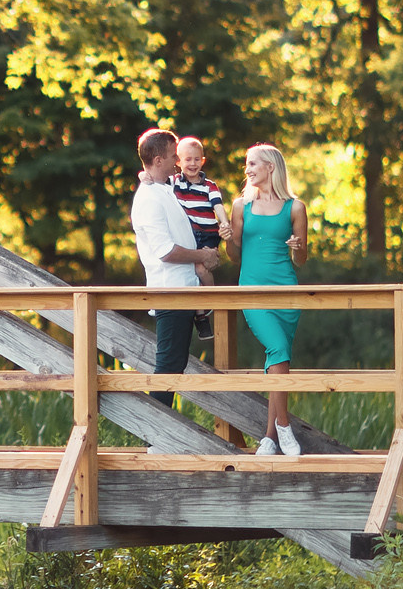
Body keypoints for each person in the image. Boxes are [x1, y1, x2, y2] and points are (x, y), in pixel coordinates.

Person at [222, 142, 309, 455]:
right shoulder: (240, 206)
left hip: (286, 289)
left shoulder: (295, 208)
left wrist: (297, 246)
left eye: (252, 164)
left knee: (278, 359)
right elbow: (235, 257)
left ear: (271, 167)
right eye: (247, 164)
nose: (247, 170)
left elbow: (301, 259)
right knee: (277, 349)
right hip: (253, 289)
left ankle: (270, 438)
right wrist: (229, 241)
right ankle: (285, 427)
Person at [130, 128, 218, 405]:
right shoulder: (148, 199)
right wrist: (202, 256)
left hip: (184, 290)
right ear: (158, 160)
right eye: (171, 156)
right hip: (169, 292)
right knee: (168, 365)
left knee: (175, 363)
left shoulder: (164, 189)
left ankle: (158, 439)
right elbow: (165, 251)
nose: (176, 162)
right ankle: (154, 440)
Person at [171, 137, 228, 351]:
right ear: (178, 161)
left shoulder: (209, 185)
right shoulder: (174, 182)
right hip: (188, 235)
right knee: (191, 274)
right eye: (188, 159)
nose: (192, 164)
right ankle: (201, 315)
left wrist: (225, 223)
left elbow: (218, 206)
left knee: (201, 269)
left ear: (203, 161)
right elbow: (152, 180)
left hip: (208, 234)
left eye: (196, 159)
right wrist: (144, 176)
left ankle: (210, 299)